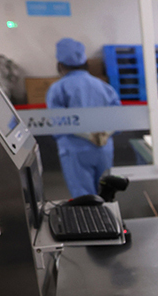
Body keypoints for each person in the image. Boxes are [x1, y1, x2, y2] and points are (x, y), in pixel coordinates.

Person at [46, 38, 121, 198]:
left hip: (75, 150)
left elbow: (58, 121)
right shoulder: (104, 87)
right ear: (86, 62)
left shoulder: (58, 89)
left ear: (60, 65)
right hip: (103, 149)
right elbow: (118, 117)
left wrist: (86, 135)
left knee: (84, 198)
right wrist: (104, 134)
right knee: (106, 194)